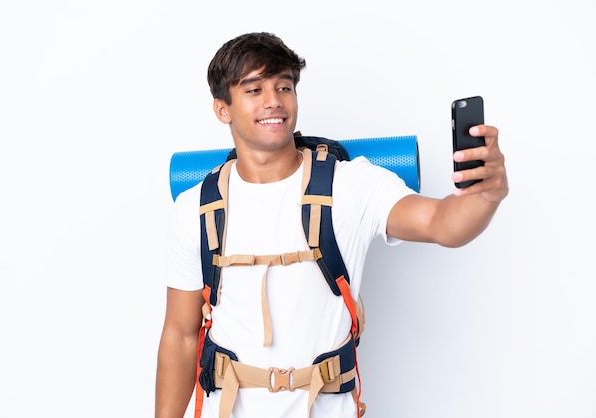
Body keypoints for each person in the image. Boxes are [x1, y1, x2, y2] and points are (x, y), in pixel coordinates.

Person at [155, 32, 508, 418]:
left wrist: (484, 195)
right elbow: (181, 334)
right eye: (254, 90)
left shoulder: (350, 185)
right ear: (223, 109)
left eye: (284, 86)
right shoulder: (197, 207)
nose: (274, 100)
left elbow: (442, 224)